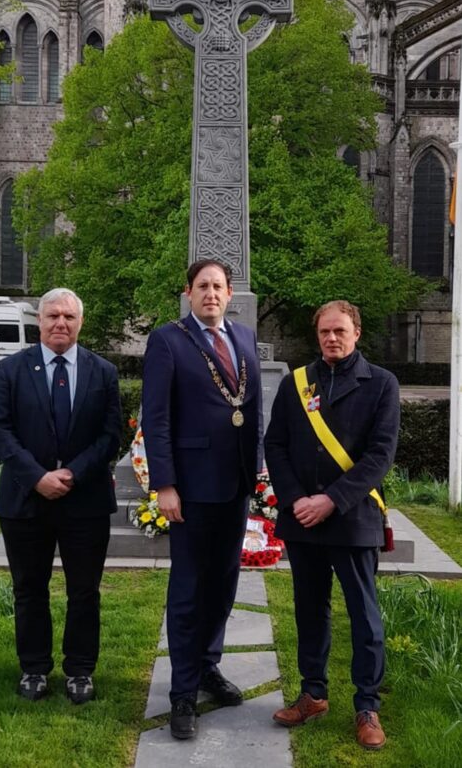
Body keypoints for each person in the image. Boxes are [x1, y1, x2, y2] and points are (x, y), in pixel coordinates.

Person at [265, 300, 400, 751]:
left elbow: (379, 456)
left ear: (356, 332)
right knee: (309, 609)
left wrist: (331, 500)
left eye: (340, 330)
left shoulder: (381, 384)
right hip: (303, 518)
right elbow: (276, 444)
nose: (331, 339)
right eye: (324, 332)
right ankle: (314, 693)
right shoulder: (296, 384)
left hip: (353, 517)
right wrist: (296, 499)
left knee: (363, 615)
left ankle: (367, 705)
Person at [142, 259, 263, 740]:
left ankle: (209, 666)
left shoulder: (245, 338)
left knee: (224, 585)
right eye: (202, 286)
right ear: (188, 293)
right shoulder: (167, 340)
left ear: (230, 293)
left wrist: (256, 473)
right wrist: (165, 485)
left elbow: (251, 410)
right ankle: (183, 694)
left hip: (235, 486)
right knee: (189, 591)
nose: (210, 293)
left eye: (218, 286)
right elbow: (156, 417)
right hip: (189, 490)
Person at [0, 288, 122, 705]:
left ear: (80, 322)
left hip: (86, 502)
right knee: (30, 588)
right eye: (52, 316)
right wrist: (37, 477)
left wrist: (72, 473)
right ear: (39, 321)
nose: (60, 323)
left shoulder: (103, 372)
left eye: (68, 316)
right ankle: (34, 668)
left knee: (85, 590)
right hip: (25, 501)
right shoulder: (11, 370)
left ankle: (80, 670)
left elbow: (110, 436)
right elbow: (0, 431)